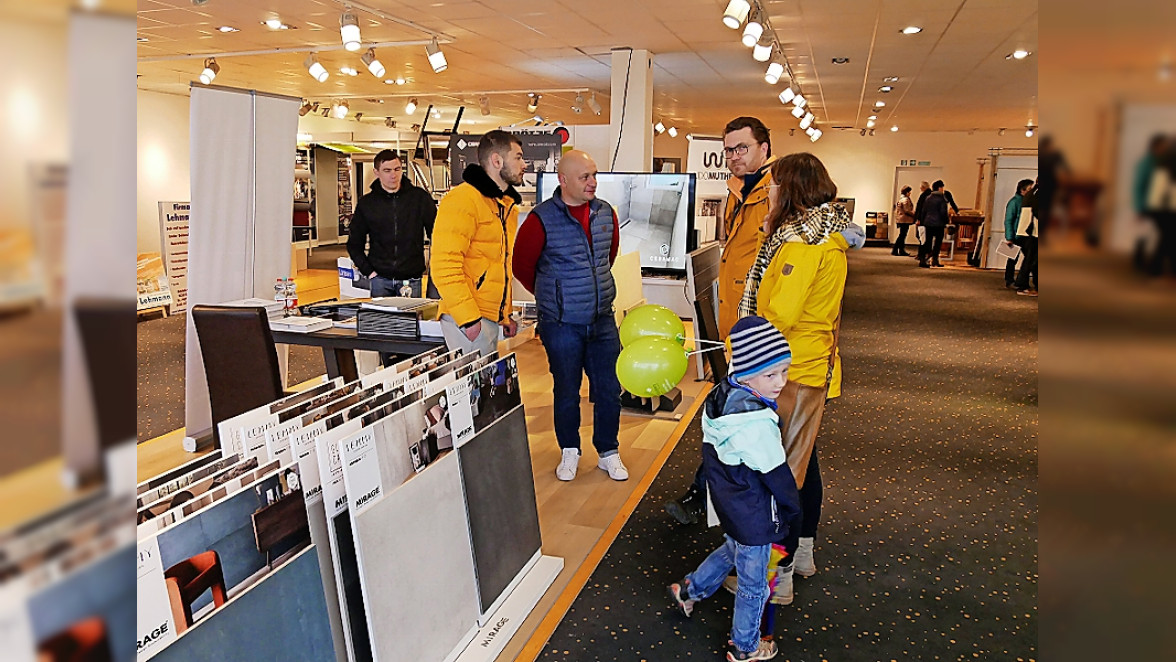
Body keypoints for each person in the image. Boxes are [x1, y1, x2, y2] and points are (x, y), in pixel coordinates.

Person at [737, 152, 862, 603]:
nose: (768, 191)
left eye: (773, 184)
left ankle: (778, 575)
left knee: (781, 475)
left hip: (790, 373)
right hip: (812, 367)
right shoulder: (827, 236)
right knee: (803, 466)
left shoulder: (801, 245)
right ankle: (802, 553)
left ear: (789, 190)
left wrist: (741, 344)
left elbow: (779, 316)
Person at [667, 315, 800, 662]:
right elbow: (778, 475)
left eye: (784, 371)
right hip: (755, 512)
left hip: (730, 503)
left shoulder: (721, 398)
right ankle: (745, 647)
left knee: (732, 550)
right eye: (770, 374)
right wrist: (792, 511)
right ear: (745, 371)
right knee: (754, 586)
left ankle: (689, 590)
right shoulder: (756, 423)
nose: (780, 382)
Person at [513, 150, 628, 481]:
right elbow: (522, 267)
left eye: (594, 175)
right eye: (585, 177)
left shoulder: (605, 213)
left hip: (602, 318)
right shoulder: (540, 219)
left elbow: (608, 255)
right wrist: (555, 296)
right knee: (567, 388)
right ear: (563, 180)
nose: (592, 182)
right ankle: (569, 451)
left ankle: (608, 451)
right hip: (561, 323)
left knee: (608, 388)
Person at [430, 131, 524, 357]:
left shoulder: (505, 205)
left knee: (486, 389)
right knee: (472, 390)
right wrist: (468, 318)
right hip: (469, 319)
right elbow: (445, 265)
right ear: (496, 160)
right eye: (518, 157)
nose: (524, 164)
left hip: (488, 316)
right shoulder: (463, 200)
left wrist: (505, 313)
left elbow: (498, 263)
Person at [347, 149, 437, 298]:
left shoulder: (420, 199)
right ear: (376, 172)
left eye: (397, 169)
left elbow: (437, 233)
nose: (393, 175)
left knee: (410, 321)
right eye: (387, 170)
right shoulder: (367, 204)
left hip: (411, 279)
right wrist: (370, 272)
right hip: (379, 280)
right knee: (382, 321)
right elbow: (354, 244)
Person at [717, 117, 777, 338]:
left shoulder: (779, 189)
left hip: (760, 308)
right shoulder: (737, 189)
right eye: (729, 150)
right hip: (734, 304)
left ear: (764, 148)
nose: (734, 156)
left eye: (742, 148)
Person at [917, 180, 957, 268]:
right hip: (938, 224)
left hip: (928, 223)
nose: (943, 189)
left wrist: (922, 222)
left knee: (927, 242)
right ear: (939, 188)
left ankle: (923, 260)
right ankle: (935, 260)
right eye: (942, 187)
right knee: (937, 243)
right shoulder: (941, 199)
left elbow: (923, 211)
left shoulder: (928, 198)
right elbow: (943, 212)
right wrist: (947, 222)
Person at [1003, 179, 1035, 288]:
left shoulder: (1029, 200)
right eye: (1030, 189)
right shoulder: (1014, 202)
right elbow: (1009, 220)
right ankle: (1009, 280)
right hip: (1016, 235)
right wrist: (1009, 237)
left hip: (1026, 235)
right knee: (1012, 259)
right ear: (1023, 190)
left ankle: (1022, 280)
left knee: (1030, 258)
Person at [1013, 182, 1039, 296]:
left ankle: (1028, 284)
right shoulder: (1037, 193)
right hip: (1032, 232)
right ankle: (1022, 285)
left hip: (1026, 231)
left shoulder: (1032, 193)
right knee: (1031, 260)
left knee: (1032, 260)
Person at [892, 185, 915, 256]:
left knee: (902, 235)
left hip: (902, 219)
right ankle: (896, 249)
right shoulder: (905, 199)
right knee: (902, 235)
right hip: (904, 220)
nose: (910, 193)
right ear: (907, 192)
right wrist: (914, 214)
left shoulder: (901, 199)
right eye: (909, 192)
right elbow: (906, 210)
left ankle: (901, 250)